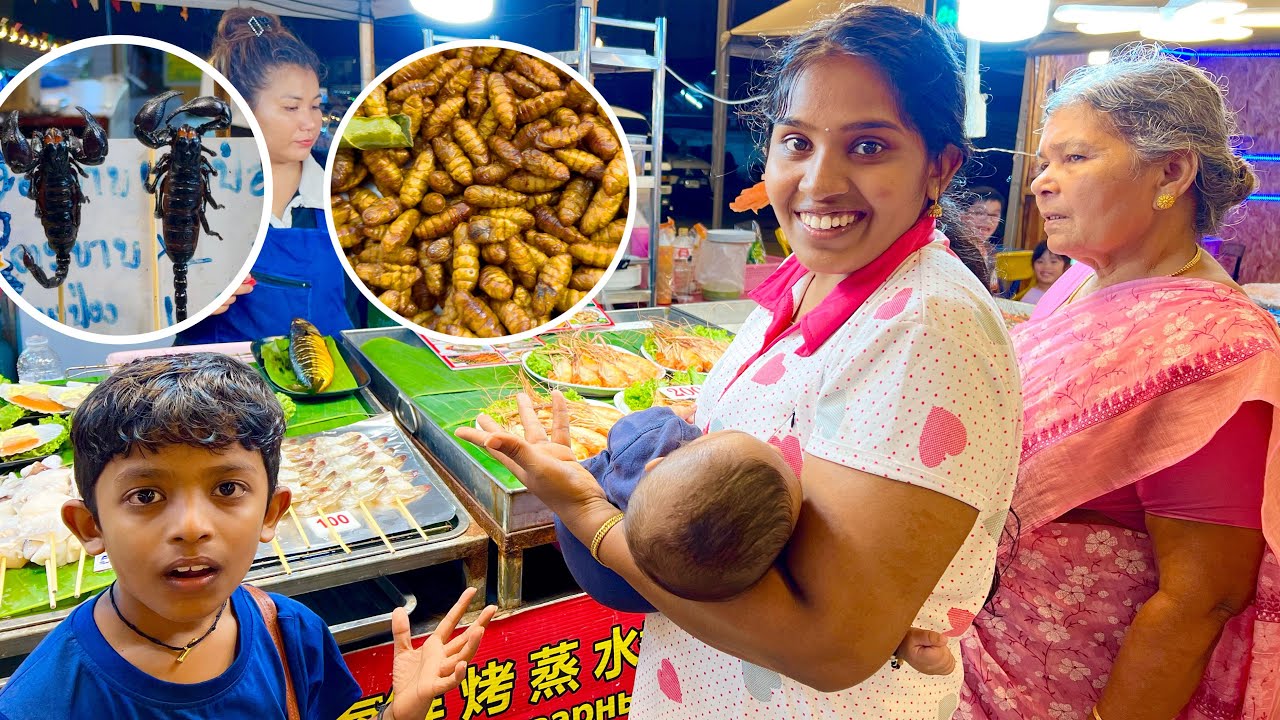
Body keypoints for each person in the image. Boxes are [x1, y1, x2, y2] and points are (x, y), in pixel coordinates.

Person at [459, 5, 1022, 717]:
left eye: (869, 146)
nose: (820, 181)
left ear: (939, 167)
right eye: (797, 142)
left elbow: (832, 646)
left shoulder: (925, 328)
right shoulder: (813, 277)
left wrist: (591, 516)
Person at [959, 46, 1280, 720]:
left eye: (1075, 159)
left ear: (1172, 170)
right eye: (1045, 163)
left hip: (1074, 687)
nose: (1042, 183)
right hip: (981, 649)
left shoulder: (1220, 351)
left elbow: (1202, 598)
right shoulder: (1080, 284)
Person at [0, 354, 497, 719]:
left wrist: (399, 712)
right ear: (90, 527)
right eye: (146, 496)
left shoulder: (292, 634)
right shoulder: (43, 701)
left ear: (270, 513)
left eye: (227, 488)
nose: (192, 526)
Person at [546, 403, 957, 675]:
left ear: (653, 468)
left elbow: (639, 433)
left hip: (603, 575)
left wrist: (673, 436)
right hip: (631, 577)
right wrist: (896, 639)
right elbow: (825, 613)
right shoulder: (746, 567)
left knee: (648, 428)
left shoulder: (649, 471)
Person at [178, 8, 354, 344]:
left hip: (332, 382)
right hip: (217, 387)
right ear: (239, 109)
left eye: (315, 105)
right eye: (291, 108)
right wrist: (185, 302)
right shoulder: (192, 194)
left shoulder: (341, 193)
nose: (310, 122)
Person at [961, 186, 1005, 294]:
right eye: (979, 213)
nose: (988, 220)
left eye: (994, 215)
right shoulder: (953, 249)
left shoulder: (990, 251)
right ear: (962, 215)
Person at [1017, 240, 1070, 304]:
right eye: (1040, 261)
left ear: (1067, 267)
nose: (1046, 266)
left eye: (1053, 261)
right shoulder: (1030, 299)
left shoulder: (1070, 295)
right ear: (1033, 266)